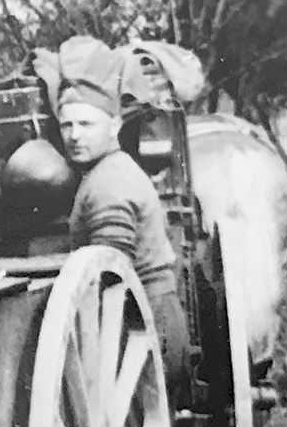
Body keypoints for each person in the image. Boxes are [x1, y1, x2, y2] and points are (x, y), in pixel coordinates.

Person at [59, 81, 191, 408]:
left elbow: (109, 274)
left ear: (114, 126)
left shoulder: (109, 184)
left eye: (86, 124)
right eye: (67, 125)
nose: (75, 135)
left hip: (141, 328)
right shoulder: (107, 172)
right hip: (150, 321)